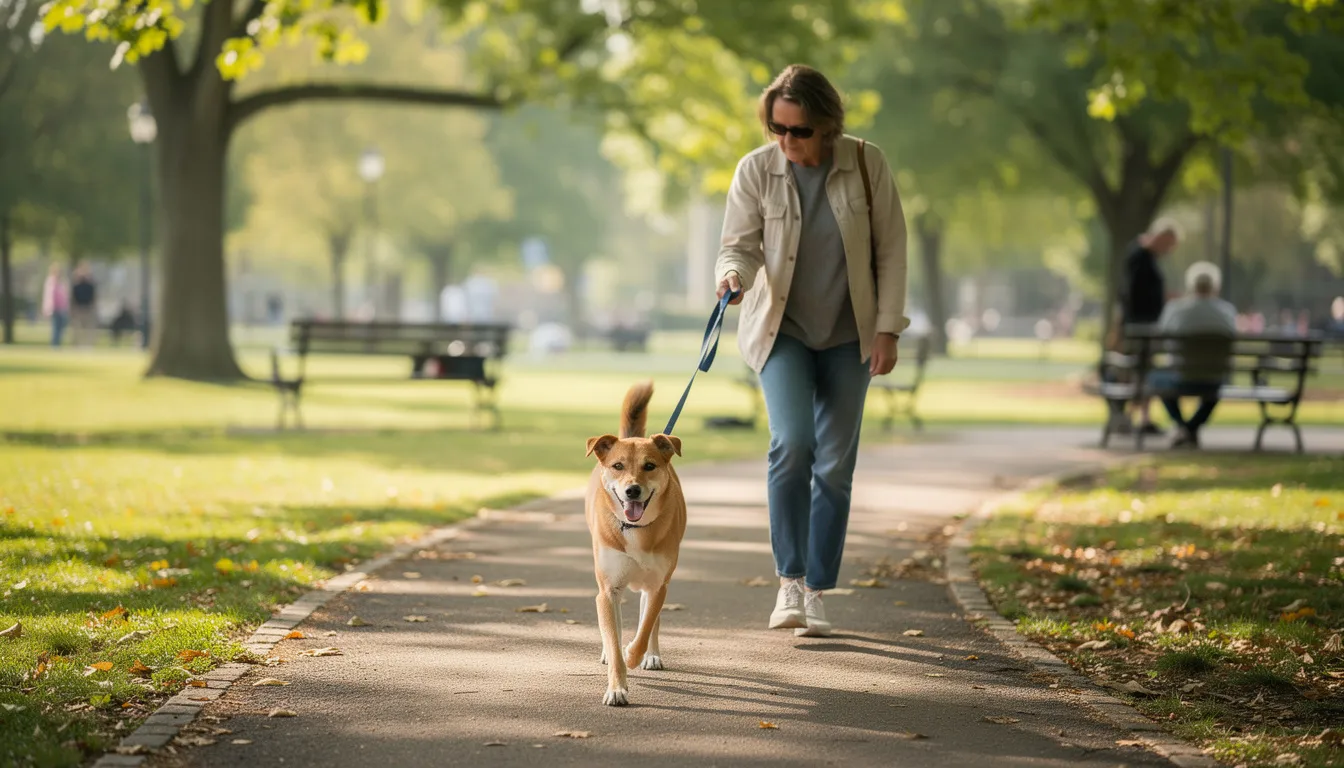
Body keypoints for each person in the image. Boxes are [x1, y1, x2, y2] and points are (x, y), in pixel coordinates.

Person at [714, 64, 908, 638]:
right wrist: (732, 276)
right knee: (793, 444)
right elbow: (738, 246)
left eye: (799, 131)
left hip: (852, 335)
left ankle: (818, 591)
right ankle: (790, 582)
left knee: (835, 465)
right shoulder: (756, 170)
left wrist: (888, 329)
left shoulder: (867, 164)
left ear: (827, 125)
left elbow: (892, 252)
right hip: (784, 333)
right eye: (777, 128)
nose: (787, 141)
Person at [1151, 261, 1238, 449]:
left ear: (1190, 284)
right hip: (1214, 377)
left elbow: (1161, 337)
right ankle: (1191, 428)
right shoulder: (1227, 311)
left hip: (1181, 376)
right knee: (1213, 388)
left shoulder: (1176, 309)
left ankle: (1183, 427)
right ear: (1216, 285)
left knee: (1156, 379)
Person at [1114, 217, 1181, 435]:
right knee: (1138, 371)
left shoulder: (1145, 257)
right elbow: (1132, 295)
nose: (1168, 250)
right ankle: (1128, 417)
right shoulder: (1139, 257)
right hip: (1139, 328)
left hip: (1144, 326)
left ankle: (1140, 418)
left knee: (1143, 371)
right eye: (1169, 244)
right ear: (1161, 237)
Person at [40, 263, 71, 347]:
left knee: (62, 326)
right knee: (56, 327)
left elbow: (65, 296)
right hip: (54, 308)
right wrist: (48, 308)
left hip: (62, 308)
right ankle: (55, 344)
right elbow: (49, 296)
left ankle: (57, 343)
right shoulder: (51, 282)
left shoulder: (62, 282)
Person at [69, 261, 98, 348]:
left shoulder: (90, 285)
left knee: (89, 328)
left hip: (88, 308)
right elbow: (73, 298)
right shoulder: (76, 285)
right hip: (78, 308)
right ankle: (77, 345)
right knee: (77, 328)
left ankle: (88, 345)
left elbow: (94, 298)